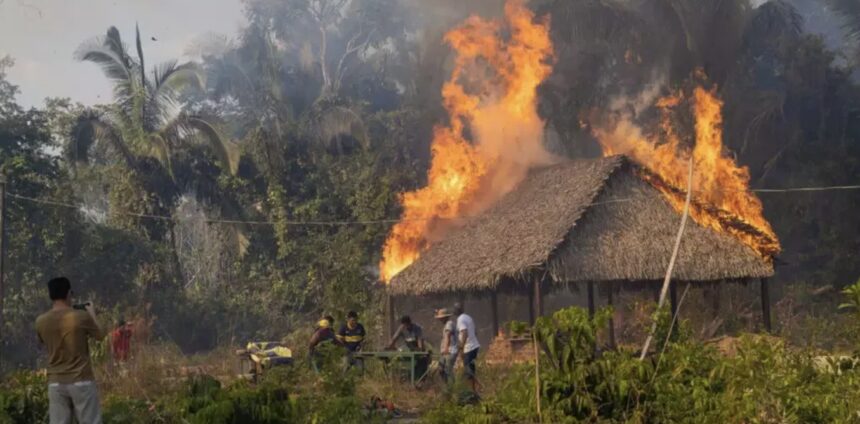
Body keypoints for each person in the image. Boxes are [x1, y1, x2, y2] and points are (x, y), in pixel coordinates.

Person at [35, 277, 106, 424]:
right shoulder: (81, 317)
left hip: (55, 382)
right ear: (68, 293)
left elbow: (42, 342)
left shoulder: (40, 321)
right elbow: (100, 335)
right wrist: (92, 313)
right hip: (81, 380)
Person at [386, 315, 428, 379]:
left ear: (409, 323)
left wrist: (420, 350)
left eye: (406, 325)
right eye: (404, 325)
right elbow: (394, 339)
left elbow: (420, 340)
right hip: (409, 349)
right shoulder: (401, 328)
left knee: (422, 362)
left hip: (417, 348)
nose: (405, 327)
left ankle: (420, 379)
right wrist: (389, 346)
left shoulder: (417, 328)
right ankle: (405, 377)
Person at [454, 302, 481, 392]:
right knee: (470, 369)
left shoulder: (460, 319)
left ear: (457, 310)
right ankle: (475, 388)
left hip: (469, 348)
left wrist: (461, 347)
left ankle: (472, 390)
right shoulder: (468, 317)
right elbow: (475, 331)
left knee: (468, 371)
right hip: (474, 346)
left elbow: (464, 332)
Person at [434, 308, 457, 384]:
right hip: (445, 351)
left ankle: (453, 387)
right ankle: (446, 385)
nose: (440, 320)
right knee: (441, 368)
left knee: (448, 370)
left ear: (445, 317)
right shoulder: (446, 325)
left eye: (441, 318)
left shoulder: (449, 324)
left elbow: (448, 336)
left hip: (450, 350)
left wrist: (446, 348)